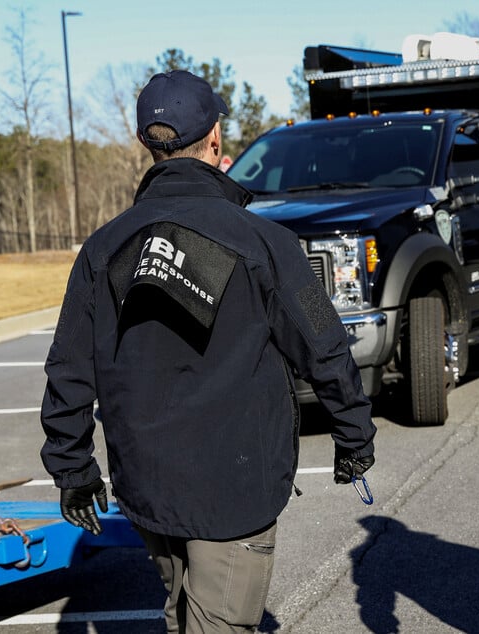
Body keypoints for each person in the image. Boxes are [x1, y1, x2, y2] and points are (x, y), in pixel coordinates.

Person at [40, 69, 376, 633]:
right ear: (215, 139)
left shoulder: (102, 249)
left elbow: (68, 368)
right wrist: (354, 433)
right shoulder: (265, 242)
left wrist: (72, 467)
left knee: (181, 617)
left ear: (147, 144)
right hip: (234, 489)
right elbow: (324, 343)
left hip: (147, 484)